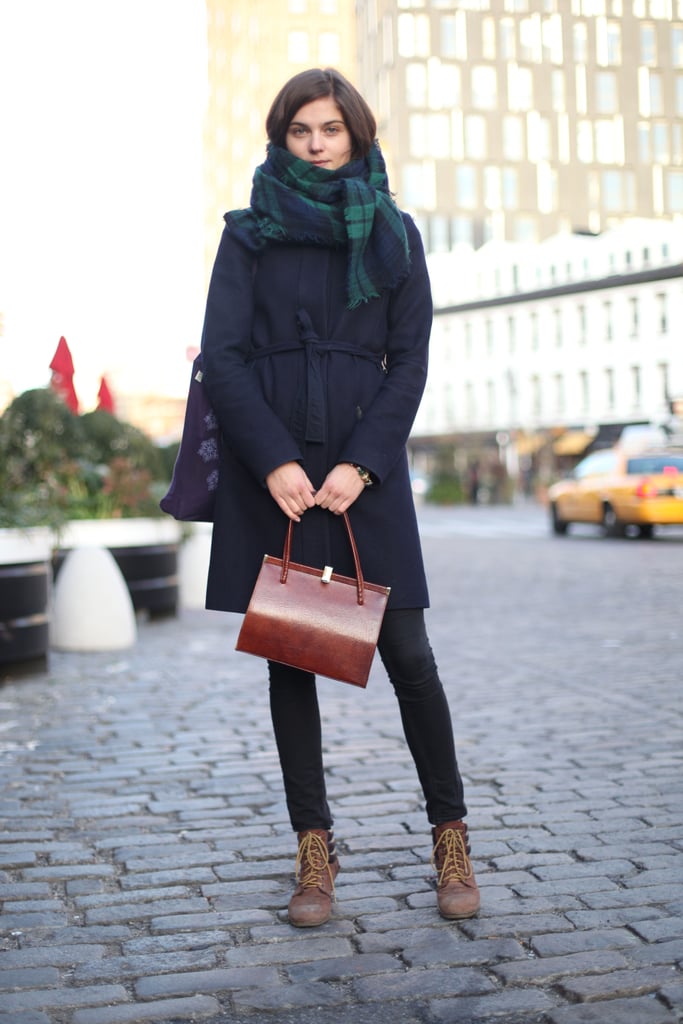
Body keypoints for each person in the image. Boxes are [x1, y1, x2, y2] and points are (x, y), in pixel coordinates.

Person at [201, 68, 479, 928]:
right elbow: (223, 356)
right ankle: (313, 853)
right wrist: (274, 461)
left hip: (365, 468)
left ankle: (451, 838)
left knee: (410, 658)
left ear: (355, 133)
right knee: (293, 658)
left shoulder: (392, 234)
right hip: (276, 475)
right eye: (299, 131)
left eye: (330, 128)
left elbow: (410, 362)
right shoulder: (248, 234)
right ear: (279, 139)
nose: (317, 143)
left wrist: (363, 464)